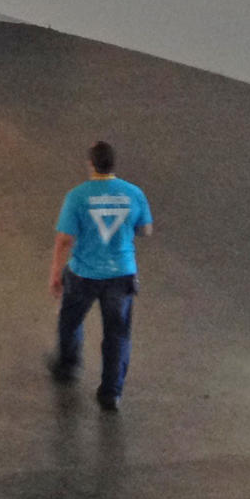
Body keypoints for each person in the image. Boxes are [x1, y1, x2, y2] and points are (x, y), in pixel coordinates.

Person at [47, 140, 153, 410]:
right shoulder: (134, 193)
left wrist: (56, 273)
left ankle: (68, 366)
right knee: (117, 335)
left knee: (70, 321)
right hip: (121, 275)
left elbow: (64, 239)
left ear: (91, 164)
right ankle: (111, 393)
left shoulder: (77, 196)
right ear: (113, 164)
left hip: (83, 274)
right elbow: (146, 229)